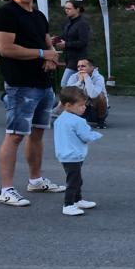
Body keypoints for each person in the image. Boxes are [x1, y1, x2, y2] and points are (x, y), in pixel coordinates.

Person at [0, 0, 65, 207]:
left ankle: (35, 179)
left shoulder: (39, 16)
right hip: (20, 84)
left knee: (37, 133)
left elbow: (48, 45)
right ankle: (6, 189)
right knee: (14, 135)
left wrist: (51, 57)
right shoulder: (6, 14)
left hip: (43, 84)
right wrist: (43, 54)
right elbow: (6, 48)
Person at [52, 87, 102, 216]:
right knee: (73, 181)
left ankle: (77, 200)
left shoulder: (59, 119)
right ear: (68, 105)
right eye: (80, 105)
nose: (84, 107)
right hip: (74, 155)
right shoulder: (79, 121)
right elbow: (86, 136)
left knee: (76, 179)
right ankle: (68, 205)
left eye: (84, 104)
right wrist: (96, 135)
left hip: (64, 155)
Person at [60, 59, 108, 128]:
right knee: (68, 96)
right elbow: (68, 93)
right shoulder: (74, 77)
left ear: (92, 68)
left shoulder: (99, 78)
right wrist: (80, 82)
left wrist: (87, 78)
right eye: (78, 66)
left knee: (100, 96)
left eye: (83, 66)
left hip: (94, 111)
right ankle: (69, 119)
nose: (80, 68)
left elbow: (93, 95)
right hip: (80, 109)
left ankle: (101, 121)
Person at [53, 0, 91, 81]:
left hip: (78, 60)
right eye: (65, 8)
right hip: (69, 59)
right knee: (74, 85)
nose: (66, 10)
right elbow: (65, 36)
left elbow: (83, 42)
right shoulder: (69, 23)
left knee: (65, 83)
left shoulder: (82, 24)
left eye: (69, 8)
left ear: (77, 9)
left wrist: (66, 44)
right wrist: (55, 39)